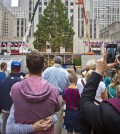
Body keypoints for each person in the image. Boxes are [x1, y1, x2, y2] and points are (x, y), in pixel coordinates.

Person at [10, 50, 61, 134]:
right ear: (43, 66)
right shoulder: (53, 90)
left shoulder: (15, 88)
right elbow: (57, 109)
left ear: (26, 66)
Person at [80, 50, 120, 134]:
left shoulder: (110, 111)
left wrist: (98, 72)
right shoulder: (102, 84)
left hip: (93, 114)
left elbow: (84, 102)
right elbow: (105, 98)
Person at [42, 56, 69, 134]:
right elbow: (68, 85)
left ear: (54, 61)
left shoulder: (47, 71)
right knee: (58, 118)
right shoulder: (65, 72)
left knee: (47, 116)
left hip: (47, 96)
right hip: (59, 97)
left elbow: (42, 82)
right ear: (61, 62)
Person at [0, 61, 22, 134]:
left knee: (4, 125)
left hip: (5, 108)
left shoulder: (4, 80)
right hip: (16, 110)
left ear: (11, 69)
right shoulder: (21, 81)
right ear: (19, 69)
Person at [63, 69, 81, 134]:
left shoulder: (66, 90)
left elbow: (64, 101)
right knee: (78, 131)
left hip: (68, 112)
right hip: (78, 113)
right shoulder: (78, 91)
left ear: (69, 80)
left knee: (69, 130)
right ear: (76, 80)